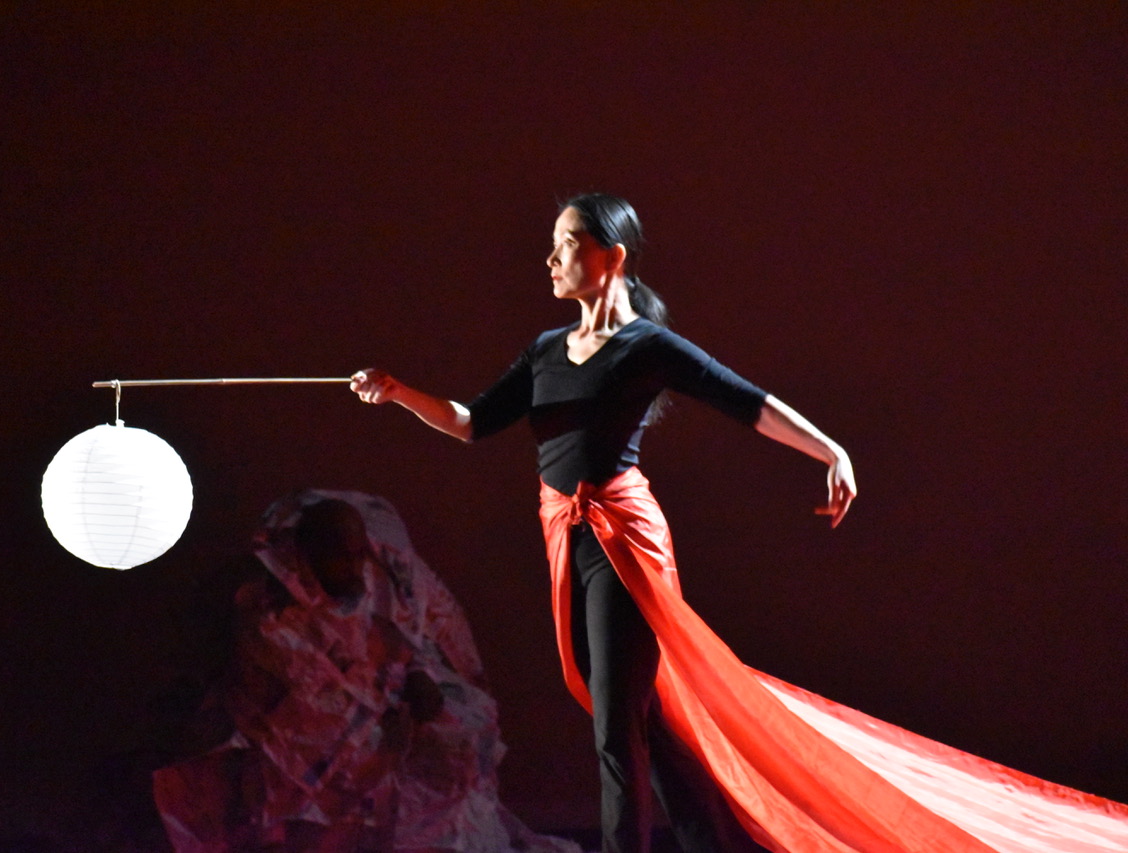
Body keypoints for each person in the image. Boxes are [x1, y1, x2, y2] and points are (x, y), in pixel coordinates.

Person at [350, 195, 1128, 853]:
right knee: (632, 712)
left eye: (565, 244)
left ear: (611, 255)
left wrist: (831, 448)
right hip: (566, 535)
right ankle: (712, 835)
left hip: (623, 539)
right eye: (550, 246)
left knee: (617, 725)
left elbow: (746, 402)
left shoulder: (645, 347)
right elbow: (469, 421)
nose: (548, 258)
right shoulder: (546, 350)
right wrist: (396, 391)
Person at [153, 490, 581, 853]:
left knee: (461, 734)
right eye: (341, 558)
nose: (355, 568)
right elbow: (302, 687)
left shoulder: (379, 581)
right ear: (310, 553)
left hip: (384, 700)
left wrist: (417, 677)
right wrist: (376, 711)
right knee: (343, 771)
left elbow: (404, 641)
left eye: (358, 556)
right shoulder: (269, 611)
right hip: (306, 721)